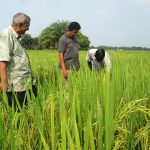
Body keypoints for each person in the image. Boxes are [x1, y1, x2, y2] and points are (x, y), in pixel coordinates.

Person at [0, 12, 37, 107]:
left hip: (23, 82)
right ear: (20, 25)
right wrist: (4, 81)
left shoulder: (16, 36)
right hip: (15, 85)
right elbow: (2, 60)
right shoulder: (7, 34)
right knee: (17, 111)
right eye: (27, 25)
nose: (28, 28)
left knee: (26, 108)